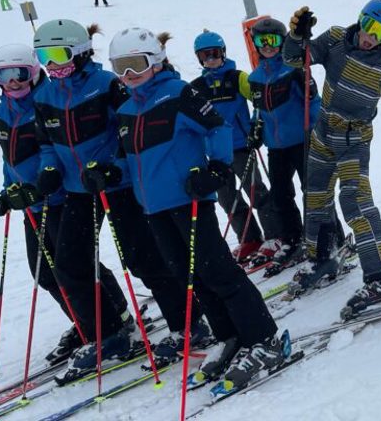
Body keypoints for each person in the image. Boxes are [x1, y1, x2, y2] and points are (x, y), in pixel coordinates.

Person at [107, 27, 285, 389]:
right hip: (154, 208)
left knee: (217, 271)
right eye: (120, 68)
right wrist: (111, 173)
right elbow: (133, 160)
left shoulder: (178, 93)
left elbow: (215, 127)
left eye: (135, 66)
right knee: (191, 278)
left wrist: (216, 168)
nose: (128, 76)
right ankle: (230, 336)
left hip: (188, 201)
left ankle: (263, 338)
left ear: (155, 62)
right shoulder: (125, 110)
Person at [31, 19, 204, 377]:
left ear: (80, 53)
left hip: (119, 185)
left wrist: (112, 166)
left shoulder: (107, 84)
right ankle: (109, 333)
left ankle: (188, 323)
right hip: (78, 190)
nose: (52, 64)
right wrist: (49, 169)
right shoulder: (44, 96)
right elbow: (46, 143)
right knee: (69, 263)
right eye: (43, 56)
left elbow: (132, 131)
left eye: (59, 54)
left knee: (143, 259)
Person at [283, 0, 381, 318]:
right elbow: (295, 58)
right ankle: (321, 256)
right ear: (360, 19)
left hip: (354, 139)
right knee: (315, 197)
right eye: (368, 24)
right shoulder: (336, 39)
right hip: (323, 132)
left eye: (380, 31)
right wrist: (298, 35)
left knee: (355, 202)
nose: (370, 35)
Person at [0, 43, 90, 363]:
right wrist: (9, 190)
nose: (12, 81)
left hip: (58, 198)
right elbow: (11, 158)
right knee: (45, 273)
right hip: (31, 204)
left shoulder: (47, 102)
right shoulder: (2, 111)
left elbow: (58, 152)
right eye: (2, 75)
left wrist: (46, 182)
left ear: (34, 73)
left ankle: (107, 317)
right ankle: (83, 321)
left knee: (72, 267)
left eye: (20, 73)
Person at [245, 17, 324, 273]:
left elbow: (313, 102)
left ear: (282, 41)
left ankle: (326, 237)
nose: (268, 46)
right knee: (280, 195)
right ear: (255, 44)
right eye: (262, 41)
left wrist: (314, 128)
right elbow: (258, 109)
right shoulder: (256, 77)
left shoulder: (294, 69)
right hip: (276, 147)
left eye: (273, 40)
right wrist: (255, 128)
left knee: (313, 192)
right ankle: (293, 239)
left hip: (302, 141)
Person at [189, 30, 271, 264]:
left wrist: (256, 124)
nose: (211, 59)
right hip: (216, 154)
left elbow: (258, 99)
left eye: (214, 53)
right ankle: (250, 239)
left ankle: (275, 235)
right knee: (227, 199)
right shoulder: (197, 87)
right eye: (205, 56)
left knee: (255, 190)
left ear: (223, 52)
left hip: (240, 145)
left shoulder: (237, 77)